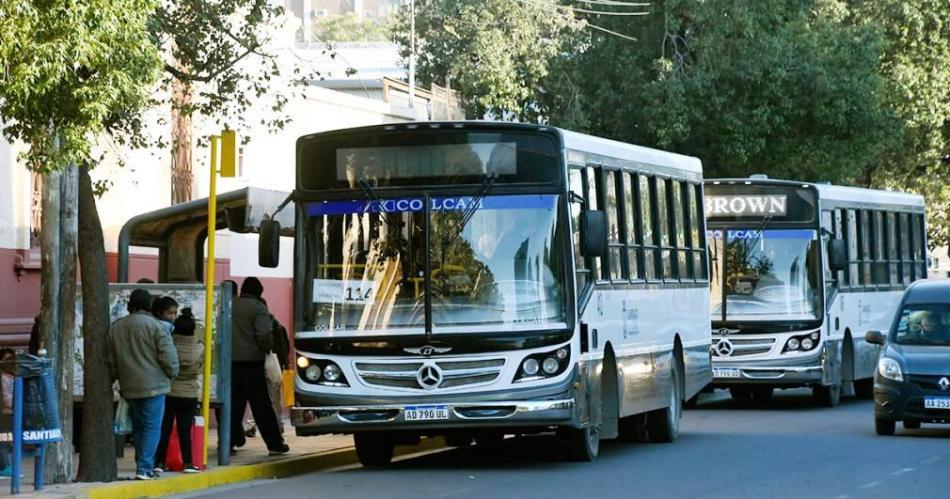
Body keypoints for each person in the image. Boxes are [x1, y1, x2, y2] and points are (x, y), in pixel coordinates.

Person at [107, 289, 180, 480]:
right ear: (149, 306)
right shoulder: (157, 327)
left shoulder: (116, 327)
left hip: (129, 386)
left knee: (139, 428)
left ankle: (142, 463)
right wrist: (172, 374)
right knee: (152, 427)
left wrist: (117, 378)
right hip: (154, 385)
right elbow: (169, 357)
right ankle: (145, 467)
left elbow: (112, 360)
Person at [230, 278, 289, 456]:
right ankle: (275, 444)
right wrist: (266, 348)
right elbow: (263, 335)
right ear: (259, 292)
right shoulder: (258, 308)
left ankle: (228, 442)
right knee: (262, 408)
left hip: (231, 364)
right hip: (252, 364)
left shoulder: (231, 305)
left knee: (233, 407)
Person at [155, 308, 204, 474]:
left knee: (165, 428)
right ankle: (188, 463)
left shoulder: (169, 346)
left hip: (169, 391)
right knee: (184, 430)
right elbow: (200, 366)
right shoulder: (199, 349)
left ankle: (159, 462)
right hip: (189, 393)